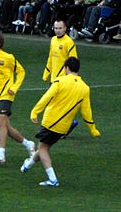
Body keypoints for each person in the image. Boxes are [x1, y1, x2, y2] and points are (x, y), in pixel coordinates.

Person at [20, 57, 101, 186]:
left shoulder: (60, 81)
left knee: (42, 149)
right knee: (44, 147)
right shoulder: (85, 88)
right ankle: (27, 165)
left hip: (51, 122)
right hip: (64, 127)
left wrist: (35, 111)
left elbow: (47, 97)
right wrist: (92, 129)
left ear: (66, 68)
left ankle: (52, 179)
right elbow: (86, 111)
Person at [0, 31, 35, 163]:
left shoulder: (8, 58)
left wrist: (14, 88)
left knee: (0, 122)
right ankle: (28, 144)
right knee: (6, 128)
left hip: (6, 95)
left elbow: (21, 72)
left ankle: (1, 155)